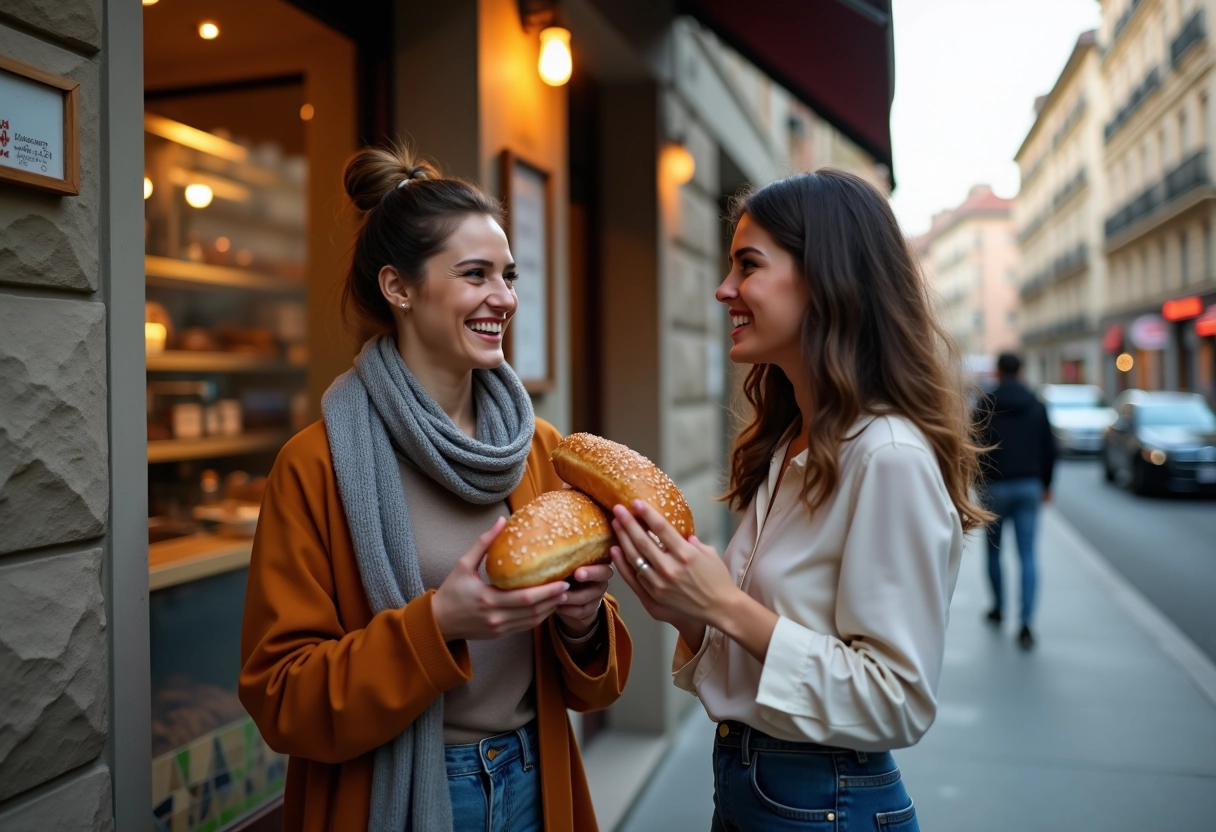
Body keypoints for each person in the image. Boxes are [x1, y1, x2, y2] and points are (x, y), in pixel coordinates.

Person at [239, 146, 630, 832]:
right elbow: (281, 697)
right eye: (475, 274)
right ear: (399, 288)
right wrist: (438, 624)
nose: (504, 298)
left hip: (537, 779)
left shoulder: (537, 445)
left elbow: (594, 684)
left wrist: (583, 621)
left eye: (508, 275)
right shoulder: (317, 463)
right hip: (398, 796)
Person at [608, 169, 991, 832]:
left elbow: (895, 701)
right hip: (759, 787)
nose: (724, 289)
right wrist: (687, 612)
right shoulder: (793, 442)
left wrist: (722, 604)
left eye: (747, 265)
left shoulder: (888, 455)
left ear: (825, 277)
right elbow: (772, 648)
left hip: (825, 800)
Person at [975, 351, 1056, 650]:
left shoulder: (986, 403)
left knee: (994, 553)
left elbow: (974, 446)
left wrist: (977, 483)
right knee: (1028, 554)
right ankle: (1026, 623)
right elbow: (1049, 447)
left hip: (995, 488)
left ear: (997, 371)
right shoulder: (1036, 404)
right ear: (1021, 371)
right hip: (1028, 487)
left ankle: (998, 608)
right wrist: (1046, 484)